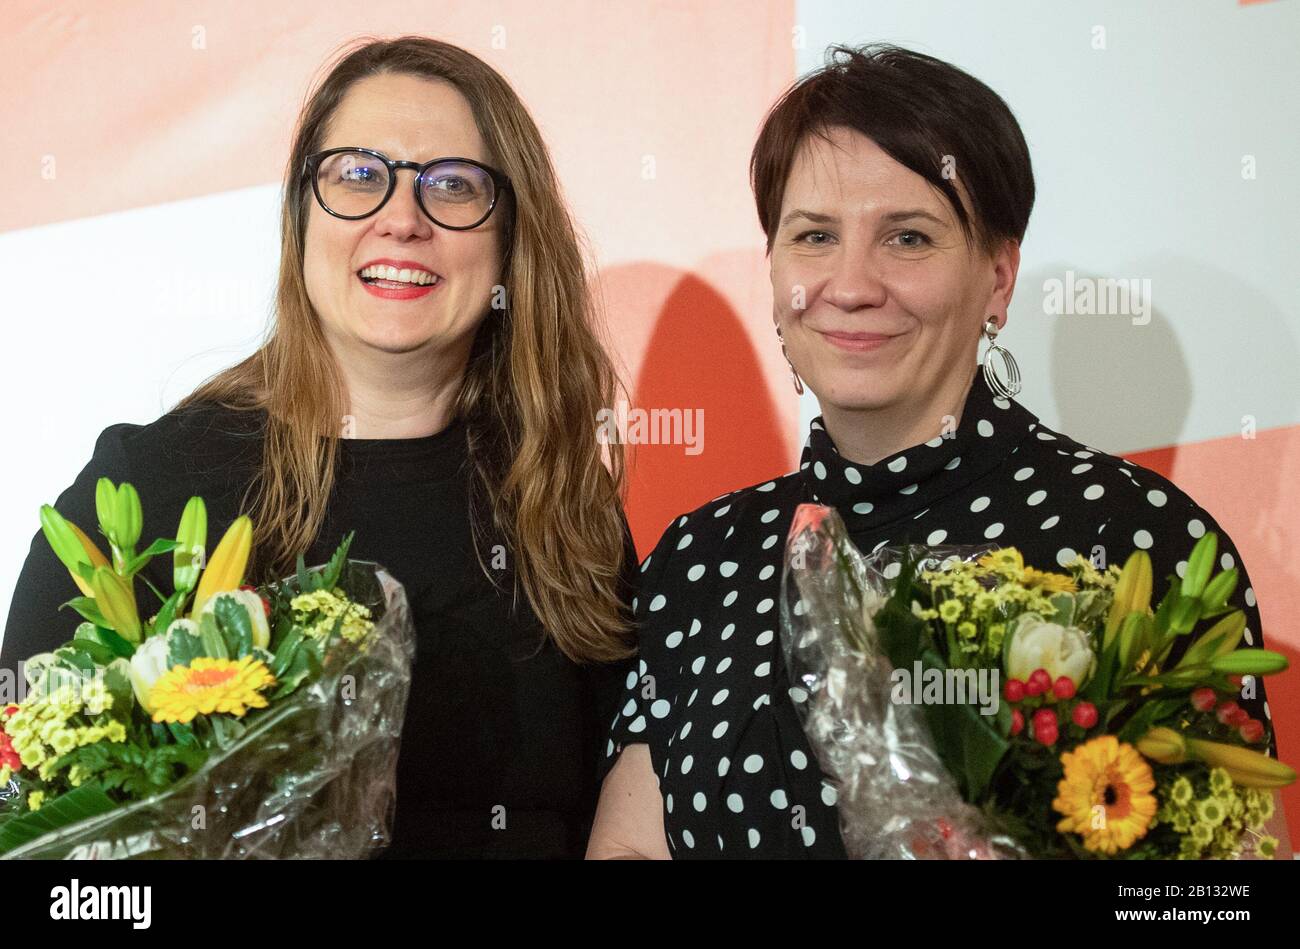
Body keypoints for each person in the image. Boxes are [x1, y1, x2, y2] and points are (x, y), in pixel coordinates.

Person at [587, 44, 1282, 859]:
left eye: (909, 238)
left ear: (997, 276)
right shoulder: (699, 557)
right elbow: (629, 848)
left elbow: (1227, 882)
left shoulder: (1133, 536)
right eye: (814, 236)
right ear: (774, 271)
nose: (851, 284)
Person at [2, 36, 635, 859]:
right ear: (302, 216)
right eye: (358, 175)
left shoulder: (561, 495)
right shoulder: (151, 485)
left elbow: (638, 783)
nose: (402, 219)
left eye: (451, 185)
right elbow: (33, 823)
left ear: (510, 240)